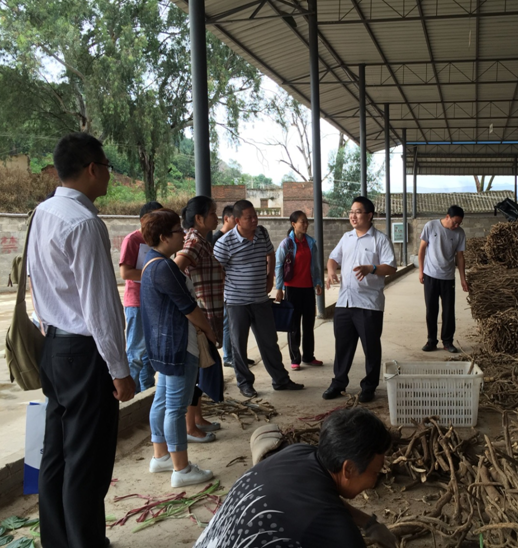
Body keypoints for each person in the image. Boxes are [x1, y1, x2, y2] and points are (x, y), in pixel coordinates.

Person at [27, 132, 136, 547]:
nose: (108, 175)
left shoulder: (42, 212)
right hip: (83, 351)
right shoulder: (85, 222)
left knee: (55, 454)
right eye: (107, 167)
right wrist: (120, 370)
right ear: (92, 168)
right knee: (87, 462)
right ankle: (86, 542)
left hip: (54, 346)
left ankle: (57, 540)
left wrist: (46, 326)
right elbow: (99, 307)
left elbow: (36, 278)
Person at [194, 408, 397, 548]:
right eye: (375, 473)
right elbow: (324, 512)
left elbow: (322, 502)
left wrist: (369, 523)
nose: (373, 483)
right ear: (349, 469)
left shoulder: (298, 452)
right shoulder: (334, 528)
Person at [140, 208, 216, 488]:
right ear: (163, 236)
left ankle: (160, 456)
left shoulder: (151, 262)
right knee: (175, 408)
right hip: (177, 346)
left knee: (162, 401)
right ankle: (181, 469)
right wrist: (208, 329)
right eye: (177, 231)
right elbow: (188, 308)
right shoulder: (165, 267)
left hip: (162, 346)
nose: (183, 234)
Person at [213, 199, 304, 398]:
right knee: (239, 346)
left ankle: (280, 380)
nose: (254, 220)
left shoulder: (262, 233)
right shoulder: (224, 243)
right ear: (237, 220)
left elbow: (270, 252)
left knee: (269, 342)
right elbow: (216, 270)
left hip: (261, 300)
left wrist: (270, 276)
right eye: (249, 217)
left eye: (255, 215)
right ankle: (245, 383)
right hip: (236, 303)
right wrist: (226, 290)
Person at [323, 197, 396, 403]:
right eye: (351, 211)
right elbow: (333, 258)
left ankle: (369, 386)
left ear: (369, 215)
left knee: (370, 347)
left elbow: (390, 267)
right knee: (343, 346)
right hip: (345, 302)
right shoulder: (346, 237)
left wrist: (371, 268)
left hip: (368, 304)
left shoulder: (379, 239)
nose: (352, 216)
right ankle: (338, 383)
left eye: (358, 212)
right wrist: (330, 272)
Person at [174, 197, 224, 443]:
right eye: (213, 213)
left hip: (209, 314)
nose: (217, 217)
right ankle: (190, 427)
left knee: (203, 367)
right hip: (201, 318)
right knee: (195, 372)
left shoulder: (203, 240)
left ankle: (199, 419)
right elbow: (175, 270)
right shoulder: (194, 241)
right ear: (199, 219)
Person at [120, 201, 163, 392]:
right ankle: (132, 394)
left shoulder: (160, 239)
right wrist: (155, 275)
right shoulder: (132, 240)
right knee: (136, 353)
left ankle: (146, 390)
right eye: (156, 218)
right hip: (137, 303)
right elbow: (126, 273)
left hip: (155, 302)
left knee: (151, 354)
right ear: (144, 220)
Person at [275, 210, 324, 370]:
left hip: (308, 288)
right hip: (292, 289)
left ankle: (308, 356)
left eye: (306, 221)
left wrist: (317, 282)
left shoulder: (311, 243)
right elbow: (279, 266)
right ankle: (295, 358)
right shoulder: (286, 244)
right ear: (293, 224)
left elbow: (315, 265)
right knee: (294, 325)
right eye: (302, 222)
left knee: (309, 324)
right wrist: (279, 288)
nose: (305, 224)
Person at [418, 205, 469, 353]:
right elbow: (422, 249)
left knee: (448, 311)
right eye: (454, 222)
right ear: (447, 217)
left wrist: (463, 279)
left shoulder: (460, 233)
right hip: (430, 275)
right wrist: (421, 271)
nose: (456, 225)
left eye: (459, 223)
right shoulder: (431, 226)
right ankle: (431, 341)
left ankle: (447, 341)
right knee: (431, 310)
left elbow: (460, 257)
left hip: (448, 278)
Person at [211, 205, 254, 368]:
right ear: (227, 219)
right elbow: (217, 267)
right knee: (228, 325)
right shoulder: (218, 240)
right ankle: (229, 356)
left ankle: (239, 356)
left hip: (238, 293)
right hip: (228, 292)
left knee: (238, 328)